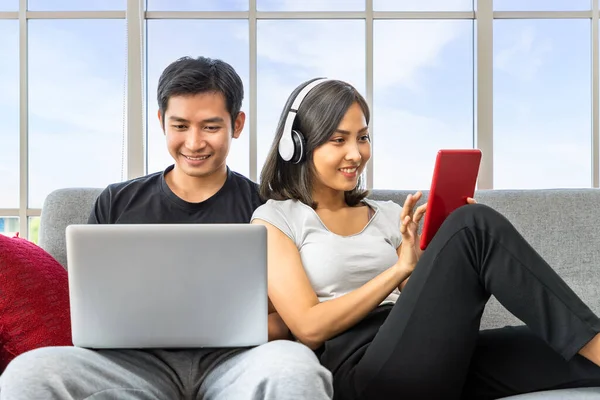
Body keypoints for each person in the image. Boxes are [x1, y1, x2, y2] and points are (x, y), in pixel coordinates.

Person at [0, 57, 333, 400]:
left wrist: (217, 330)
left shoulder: (270, 207)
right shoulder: (116, 201)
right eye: (180, 126)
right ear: (161, 122)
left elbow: (292, 318)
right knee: (29, 373)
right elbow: (91, 312)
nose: (193, 142)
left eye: (210, 127)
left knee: (296, 368)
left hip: (241, 363)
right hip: (131, 366)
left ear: (237, 124)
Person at [250, 77, 600, 400]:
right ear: (295, 146)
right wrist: (399, 270)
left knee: (564, 350)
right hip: (363, 373)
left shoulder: (388, 214)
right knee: (474, 224)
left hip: (424, 355)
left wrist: (438, 257)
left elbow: (416, 300)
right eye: (338, 140)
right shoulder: (276, 218)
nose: (356, 154)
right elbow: (309, 327)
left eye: (363, 137)